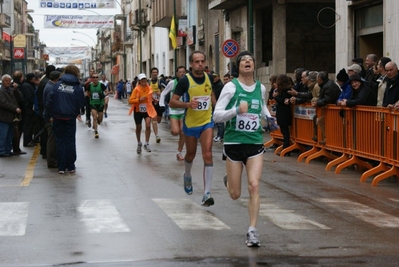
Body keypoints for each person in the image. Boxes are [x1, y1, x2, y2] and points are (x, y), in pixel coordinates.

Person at [214, 51, 270, 247]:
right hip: (233, 143)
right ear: (237, 67)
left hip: (254, 142)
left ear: (254, 66)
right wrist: (236, 110)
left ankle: (252, 231)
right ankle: (229, 181)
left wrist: (269, 118)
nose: (248, 62)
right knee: (235, 194)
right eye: (243, 60)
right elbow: (216, 116)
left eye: (251, 60)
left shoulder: (261, 88)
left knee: (254, 185)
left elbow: (262, 106)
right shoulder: (230, 87)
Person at [169, 50, 216, 207]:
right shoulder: (185, 81)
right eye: (197, 61)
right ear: (191, 64)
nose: (200, 64)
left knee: (208, 154)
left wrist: (221, 110)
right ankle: (187, 175)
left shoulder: (209, 78)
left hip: (206, 122)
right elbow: (172, 102)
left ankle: (207, 193)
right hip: (190, 124)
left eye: (202, 61)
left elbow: (212, 98)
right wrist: (188, 104)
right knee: (190, 155)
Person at [45, 65, 85, 174]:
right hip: (70, 117)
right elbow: (81, 102)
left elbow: (50, 100)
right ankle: (71, 166)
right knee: (70, 141)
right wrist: (77, 111)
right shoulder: (77, 86)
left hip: (57, 116)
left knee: (60, 141)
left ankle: (61, 167)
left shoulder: (57, 84)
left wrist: (50, 115)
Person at [160, 66, 187, 161]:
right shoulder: (172, 83)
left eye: (184, 72)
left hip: (183, 111)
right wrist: (161, 104)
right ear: (177, 73)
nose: (182, 74)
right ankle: (172, 128)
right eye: (180, 72)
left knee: (183, 132)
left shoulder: (188, 83)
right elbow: (163, 94)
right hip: (174, 110)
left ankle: (179, 152)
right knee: (176, 132)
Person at [129, 73, 156, 154]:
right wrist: (139, 100)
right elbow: (130, 100)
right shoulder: (136, 89)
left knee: (148, 125)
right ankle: (139, 143)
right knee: (138, 127)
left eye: (145, 79)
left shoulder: (149, 88)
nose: (144, 81)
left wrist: (154, 99)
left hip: (147, 110)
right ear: (139, 81)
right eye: (142, 80)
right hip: (138, 111)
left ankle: (147, 143)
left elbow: (151, 97)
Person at [311, 71, 341, 143]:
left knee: (321, 121)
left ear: (320, 79)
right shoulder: (325, 85)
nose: (316, 80)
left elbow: (328, 99)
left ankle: (327, 138)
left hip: (334, 110)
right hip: (329, 109)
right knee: (316, 118)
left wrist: (318, 103)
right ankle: (318, 136)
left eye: (316, 79)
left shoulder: (329, 86)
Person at [0, 74, 22, 157]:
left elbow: (20, 99)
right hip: (3, 117)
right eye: (6, 81)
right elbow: (3, 103)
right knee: (3, 135)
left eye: (9, 81)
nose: (8, 82)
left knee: (10, 135)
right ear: (2, 81)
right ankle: (2, 151)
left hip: (12, 117)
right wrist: (15, 108)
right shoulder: (1, 91)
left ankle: (8, 150)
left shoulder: (11, 90)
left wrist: (16, 90)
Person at [42, 70, 61, 168]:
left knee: (52, 138)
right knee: (52, 139)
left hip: (49, 115)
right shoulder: (51, 87)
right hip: (50, 117)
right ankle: (52, 161)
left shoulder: (49, 85)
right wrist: (51, 116)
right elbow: (49, 103)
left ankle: (53, 159)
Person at [36, 65, 55, 159]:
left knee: (45, 132)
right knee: (46, 133)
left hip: (42, 110)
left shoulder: (44, 81)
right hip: (45, 112)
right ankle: (45, 151)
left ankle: (44, 150)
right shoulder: (47, 83)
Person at [274, 74, 293, 150]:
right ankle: (286, 146)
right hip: (283, 111)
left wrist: (276, 97)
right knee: (284, 130)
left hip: (283, 111)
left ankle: (286, 147)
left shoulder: (286, 90)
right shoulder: (284, 90)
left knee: (285, 131)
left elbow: (281, 100)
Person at [85, 73, 107, 138]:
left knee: (100, 120)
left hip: (100, 104)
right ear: (92, 79)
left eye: (96, 77)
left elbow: (107, 91)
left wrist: (103, 95)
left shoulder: (101, 85)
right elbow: (87, 93)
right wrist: (88, 95)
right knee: (94, 117)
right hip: (93, 103)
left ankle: (96, 123)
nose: (95, 79)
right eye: (94, 77)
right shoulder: (89, 86)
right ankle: (96, 132)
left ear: (98, 78)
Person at [11, 71, 26, 155]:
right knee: (18, 131)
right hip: (19, 111)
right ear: (21, 78)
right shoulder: (18, 87)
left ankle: (16, 148)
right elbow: (21, 99)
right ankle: (16, 148)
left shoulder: (13, 85)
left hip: (16, 110)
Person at [149, 67, 165, 143]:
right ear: (151, 73)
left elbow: (166, 91)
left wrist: (161, 93)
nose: (155, 74)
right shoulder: (148, 82)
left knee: (158, 120)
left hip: (159, 103)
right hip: (151, 103)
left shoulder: (160, 81)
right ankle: (157, 136)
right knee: (154, 119)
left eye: (156, 72)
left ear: (157, 73)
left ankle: (156, 133)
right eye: (153, 72)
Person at [20, 73, 37, 147]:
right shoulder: (27, 86)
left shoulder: (28, 85)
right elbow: (29, 97)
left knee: (29, 126)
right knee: (28, 126)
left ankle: (29, 140)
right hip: (28, 110)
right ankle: (27, 141)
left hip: (29, 109)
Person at [212, 73, 225, 142]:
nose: (214, 78)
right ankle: (219, 135)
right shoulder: (215, 84)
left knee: (220, 121)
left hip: (219, 105)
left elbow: (216, 94)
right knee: (217, 121)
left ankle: (220, 135)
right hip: (216, 104)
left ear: (218, 77)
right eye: (213, 77)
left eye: (215, 77)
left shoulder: (219, 85)